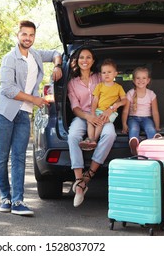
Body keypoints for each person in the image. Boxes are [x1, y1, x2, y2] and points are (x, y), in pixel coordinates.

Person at [0, 20, 62, 216]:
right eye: (24, 34)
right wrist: (35, 99)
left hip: (24, 113)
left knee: (19, 158)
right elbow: (7, 89)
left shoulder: (36, 55)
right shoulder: (9, 59)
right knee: (2, 156)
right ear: (18, 35)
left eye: (31, 35)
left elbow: (57, 52)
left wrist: (57, 66)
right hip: (4, 112)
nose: (28, 38)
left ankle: (18, 201)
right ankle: (5, 197)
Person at [67, 48, 117, 207]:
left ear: (93, 61)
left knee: (110, 135)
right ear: (77, 60)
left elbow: (113, 91)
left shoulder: (100, 77)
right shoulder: (72, 83)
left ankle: (89, 175)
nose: (85, 60)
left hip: (102, 115)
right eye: (81, 57)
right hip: (83, 116)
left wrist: (110, 110)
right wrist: (89, 117)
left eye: (88, 57)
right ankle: (79, 181)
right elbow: (75, 107)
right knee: (73, 135)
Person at [79, 59, 127, 151]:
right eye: (104, 72)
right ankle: (89, 139)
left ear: (115, 74)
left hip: (111, 113)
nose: (106, 74)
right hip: (98, 110)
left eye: (109, 72)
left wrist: (117, 104)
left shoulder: (118, 87)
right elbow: (95, 101)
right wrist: (92, 113)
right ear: (101, 75)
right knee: (90, 121)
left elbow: (125, 100)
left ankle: (94, 140)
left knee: (100, 121)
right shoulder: (99, 86)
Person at [121, 66, 161, 155]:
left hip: (147, 118)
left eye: (144, 78)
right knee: (134, 128)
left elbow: (155, 112)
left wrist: (157, 126)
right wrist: (124, 124)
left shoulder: (151, 94)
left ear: (148, 80)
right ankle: (134, 146)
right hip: (133, 118)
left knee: (150, 128)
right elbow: (125, 111)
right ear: (134, 80)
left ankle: (155, 143)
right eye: (138, 78)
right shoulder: (130, 93)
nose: (141, 80)